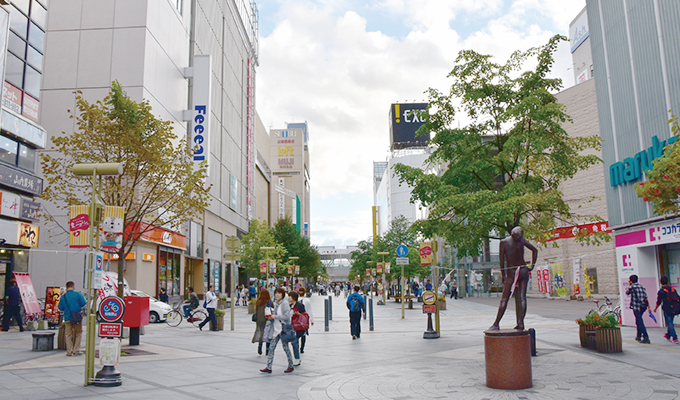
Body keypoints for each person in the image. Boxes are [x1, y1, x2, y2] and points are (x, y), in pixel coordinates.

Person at [489, 227, 538, 331]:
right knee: (522, 298)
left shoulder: (504, 242)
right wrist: (532, 265)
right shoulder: (521, 241)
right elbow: (535, 250)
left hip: (512, 272)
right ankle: (520, 323)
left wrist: (503, 275)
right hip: (523, 270)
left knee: (505, 298)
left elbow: (502, 262)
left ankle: (496, 323)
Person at [261, 287, 295, 374]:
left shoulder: (284, 304)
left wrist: (275, 316)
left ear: (283, 295)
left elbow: (287, 317)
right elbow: (276, 315)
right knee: (271, 348)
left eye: (279, 293)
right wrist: (271, 316)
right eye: (276, 293)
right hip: (276, 329)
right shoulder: (277, 303)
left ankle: (291, 365)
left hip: (283, 329)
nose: (277, 295)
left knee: (286, 348)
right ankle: (269, 367)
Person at [57, 281, 86, 356]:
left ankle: (69, 351)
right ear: (73, 286)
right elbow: (83, 303)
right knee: (78, 333)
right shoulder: (78, 295)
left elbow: (60, 308)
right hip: (77, 318)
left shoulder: (63, 297)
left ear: (66, 287)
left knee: (68, 335)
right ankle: (76, 350)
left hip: (67, 318)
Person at [626, 274, 651, 343]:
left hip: (636, 307)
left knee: (640, 322)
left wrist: (629, 284)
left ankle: (646, 337)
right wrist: (649, 307)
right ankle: (638, 335)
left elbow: (627, 293)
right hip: (643, 307)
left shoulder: (632, 287)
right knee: (638, 320)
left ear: (631, 280)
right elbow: (646, 297)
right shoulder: (642, 287)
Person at [654, 276, 678, 343]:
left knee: (669, 323)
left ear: (660, 282)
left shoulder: (661, 291)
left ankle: (675, 337)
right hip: (674, 308)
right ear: (668, 282)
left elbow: (659, 301)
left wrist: (655, 308)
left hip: (667, 309)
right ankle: (668, 335)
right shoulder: (673, 289)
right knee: (670, 322)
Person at [253, 289, 272, 355]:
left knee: (261, 333)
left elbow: (256, 311)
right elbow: (272, 309)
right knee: (268, 334)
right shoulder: (269, 301)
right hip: (267, 319)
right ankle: (267, 349)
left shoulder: (259, 301)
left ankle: (260, 346)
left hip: (259, 320)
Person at [289, 291, 305, 366]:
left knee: (294, 341)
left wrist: (298, 314)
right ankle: (297, 357)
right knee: (295, 342)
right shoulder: (289, 305)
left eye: (290, 296)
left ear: (294, 298)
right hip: (291, 326)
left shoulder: (300, 305)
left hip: (299, 326)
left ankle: (297, 358)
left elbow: (304, 315)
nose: (288, 298)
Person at [297, 287, 313, 353]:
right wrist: (312, 320)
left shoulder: (296, 299)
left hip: (297, 318)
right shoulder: (307, 300)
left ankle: (296, 347)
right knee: (303, 334)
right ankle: (302, 348)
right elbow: (309, 310)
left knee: (297, 333)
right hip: (304, 319)